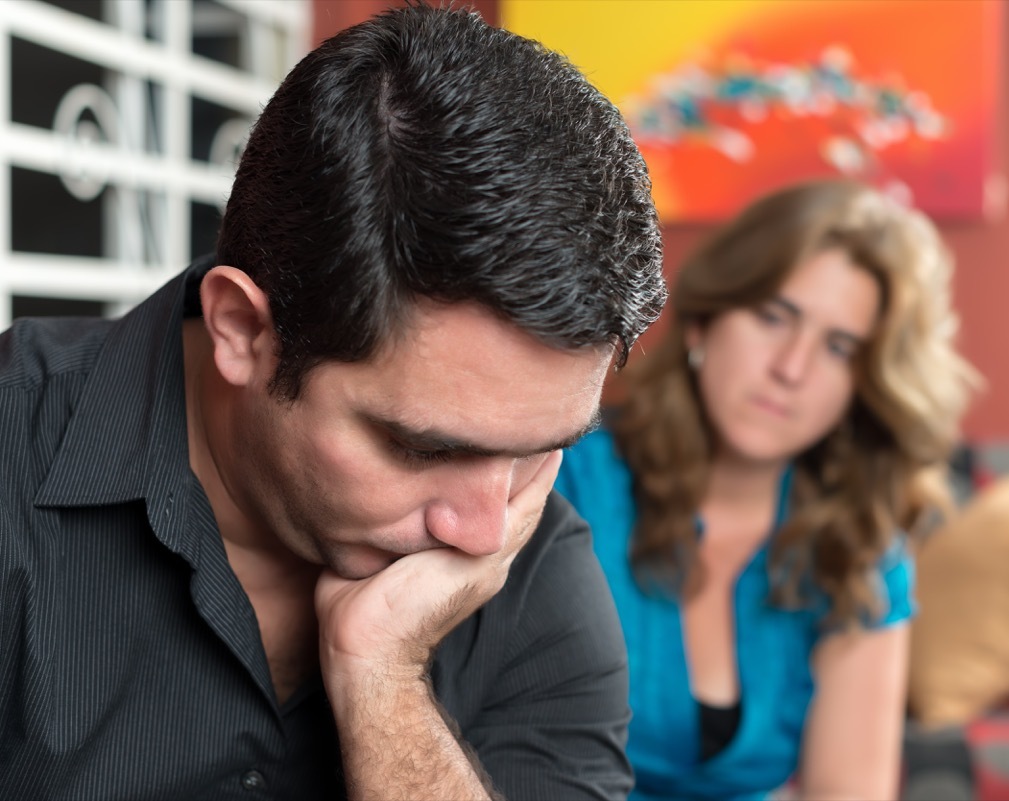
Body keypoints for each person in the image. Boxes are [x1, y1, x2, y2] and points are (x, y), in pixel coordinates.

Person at [0, 5, 665, 800]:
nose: (487, 529)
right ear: (242, 329)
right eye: (423, 448)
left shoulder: (532, 558)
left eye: (539, 446)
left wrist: (383, 679)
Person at [555, 179, 978, 801]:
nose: (792, 369)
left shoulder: (858, 543)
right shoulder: (566, 483)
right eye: (774, 317)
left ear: (861, 386)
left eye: (839, 348)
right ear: (703, 322)